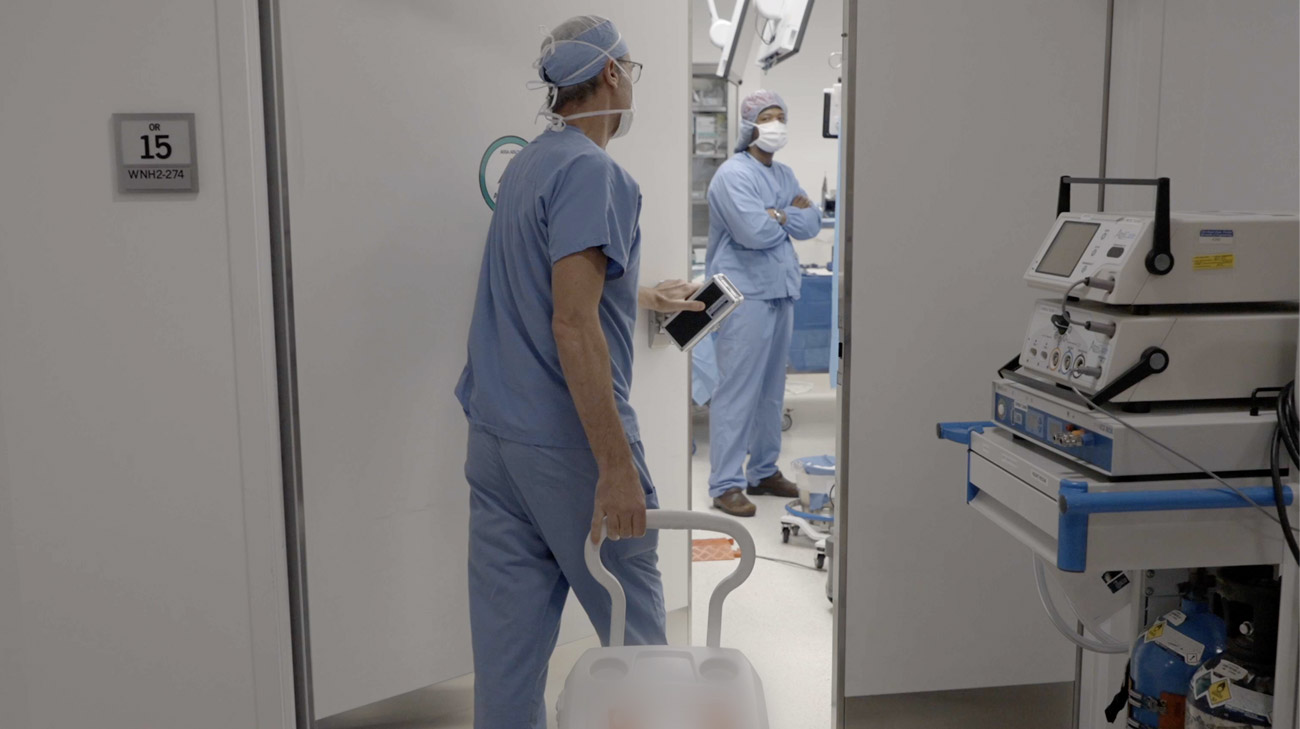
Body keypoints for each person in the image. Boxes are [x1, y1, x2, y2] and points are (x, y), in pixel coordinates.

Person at [454, 15, 703, 729]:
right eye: (634, 72)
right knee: (641, 655)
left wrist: (647, 294)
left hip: (496, 443)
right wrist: (616, 468)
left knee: (507, 664)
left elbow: (554, 281)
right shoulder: (595, 173)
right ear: (614, 75)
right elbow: (571, 321)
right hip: (568, 453)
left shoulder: (531, 162)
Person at [705, 89, 822, 517]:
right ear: (750, 126)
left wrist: (780, 215)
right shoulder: (733, 175)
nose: (775, 124)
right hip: (743, 294)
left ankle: (763, 472)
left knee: (772, 392)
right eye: (766, 117)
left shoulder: (784, 174)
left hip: (779, 290)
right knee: (737, 390)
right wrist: (784, 215)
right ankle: (725, 484)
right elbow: (753, 232)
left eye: (780, 116)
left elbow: (812, 223)